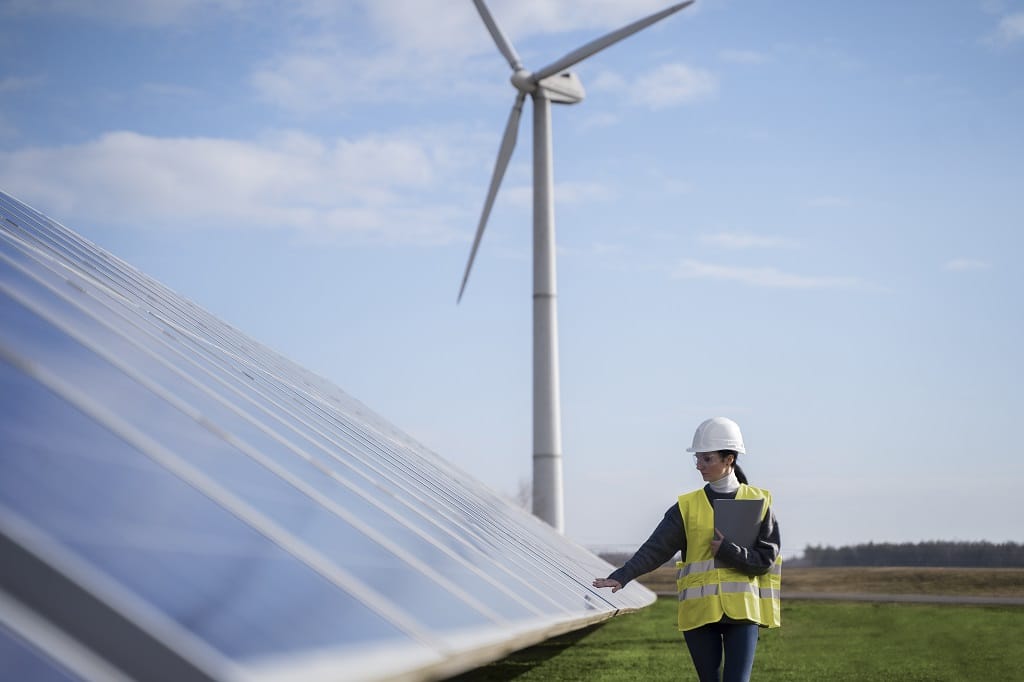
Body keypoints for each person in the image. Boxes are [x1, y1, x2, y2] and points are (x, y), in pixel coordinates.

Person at [592, 417, 781, 682]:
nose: (699, 465)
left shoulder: (759, 501)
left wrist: (729, 551)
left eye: (707, 459)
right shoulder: (686, 507)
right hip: (700, 614)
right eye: (698, 458)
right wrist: (623, 575)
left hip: (743, 612)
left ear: (729, 459)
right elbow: (655, 549)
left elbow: (765, 560)